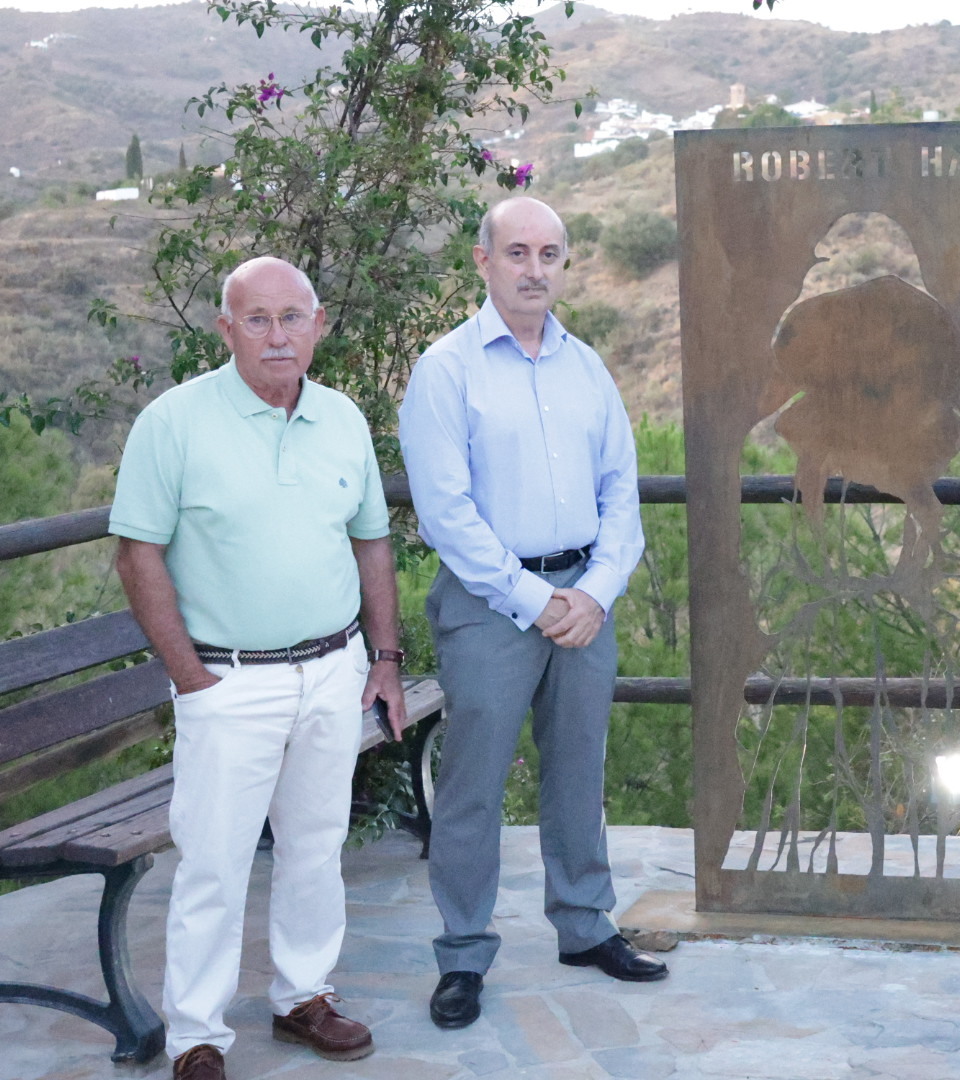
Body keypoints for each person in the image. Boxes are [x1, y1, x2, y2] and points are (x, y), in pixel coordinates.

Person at [110, 256, 407, 1079]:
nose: (278, 336)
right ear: (227, 329)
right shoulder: (174, 423)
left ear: (318, 326)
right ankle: (196, 1037)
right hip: (227, 680)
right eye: (258, 319)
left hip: (331, 670)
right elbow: (138, 556)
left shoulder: (342, 418)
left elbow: (371, 541)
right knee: (213, 861)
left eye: (293, 317)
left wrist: (382, 659)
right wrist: (191, 678)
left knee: (316, 843)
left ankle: (303, 997)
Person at [398, 195, 661, 1032]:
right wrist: (533, 598)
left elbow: (622, 489)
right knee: (473, 785)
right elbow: (445, 512)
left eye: (549, 254)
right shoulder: (446, 370)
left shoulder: (587, 367)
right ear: (484, 261)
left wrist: (594, 591)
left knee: (580, 771)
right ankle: (465, 953)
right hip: (490, 608)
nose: (534, 269)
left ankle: (584, 926)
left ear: (563, 263)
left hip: (584, 602)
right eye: (518, 253)